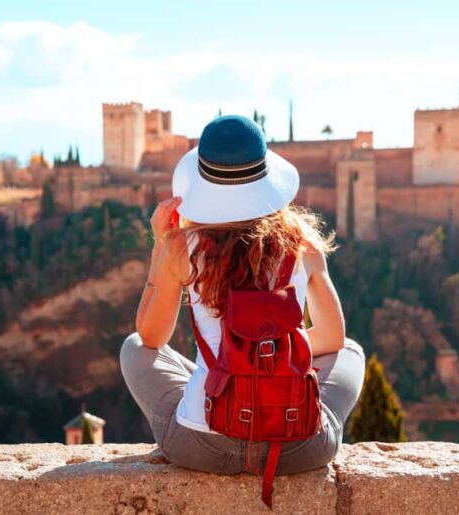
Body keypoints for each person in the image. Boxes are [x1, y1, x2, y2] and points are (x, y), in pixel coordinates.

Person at [120, 115, 365, 479]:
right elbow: (332, 340)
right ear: (265, 180)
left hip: (202, 448)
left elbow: (151, 338)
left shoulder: (181, 248)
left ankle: (215, 381)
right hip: (298, 447)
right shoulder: (303, 246)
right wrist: (273, 353)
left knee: (133, 348)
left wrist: (160, 244)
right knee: (351, 351)